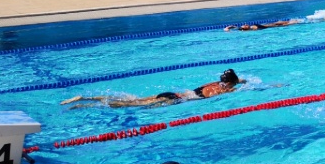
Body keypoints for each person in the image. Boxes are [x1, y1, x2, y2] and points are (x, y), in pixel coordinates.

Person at [63, 69, 245, 108]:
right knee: (128, 105)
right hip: (175, 100)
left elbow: (236, 81)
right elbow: (236, 88)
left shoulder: (212, 83)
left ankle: (85, 98)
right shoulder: (223, 90)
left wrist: (238, 81)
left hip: (173, 93)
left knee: (135, 99)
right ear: (231, 83)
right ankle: (83, 106)